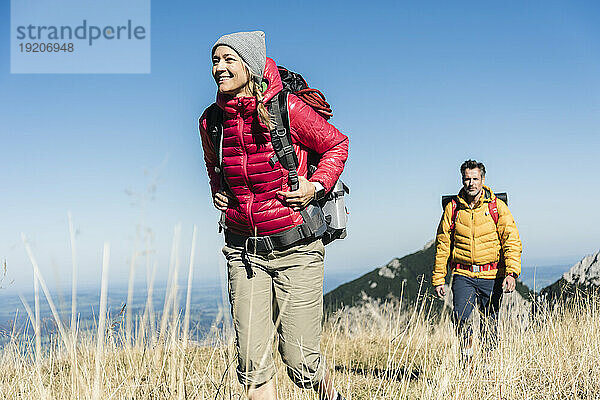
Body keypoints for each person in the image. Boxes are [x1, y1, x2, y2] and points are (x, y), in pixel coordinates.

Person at [198, 31, 348, 400]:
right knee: (252, 365)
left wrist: (315, 186)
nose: (219, 68)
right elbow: (214, 165)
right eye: (215, 61)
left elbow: (336, 144)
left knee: (300, 361)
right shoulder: (210, 122)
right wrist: (219, 191)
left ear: (249, 64)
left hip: (296, 247)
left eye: (228, 60)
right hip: (243, 251)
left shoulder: (287, 109)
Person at [432, 160, 522, 360]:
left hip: (492, 274)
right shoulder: (453, 208)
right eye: (467, 179)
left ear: (483, 179)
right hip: (463, 274)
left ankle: (489, 366)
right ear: (462, 180)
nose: (471, 183)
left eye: (475, 178)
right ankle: (468, 361)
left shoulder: (496, 207)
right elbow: (443, 244)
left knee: (489, 321)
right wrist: (439, 278)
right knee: (461, 318)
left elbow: (512, 240)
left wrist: (511, 272)